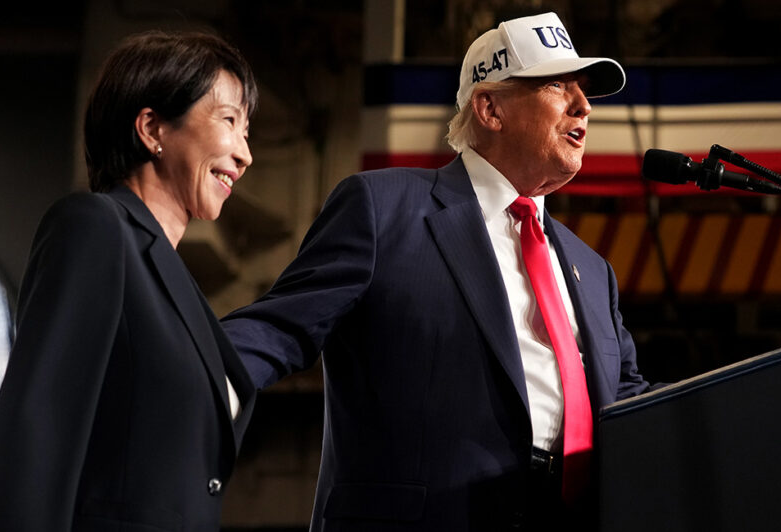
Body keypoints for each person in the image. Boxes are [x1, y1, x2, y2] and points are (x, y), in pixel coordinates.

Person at [222, 12, 649, 531]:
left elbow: (633, 404)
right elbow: (277, 327)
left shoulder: (592, 269)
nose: (583, 105)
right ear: (490, 108)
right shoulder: (383, 210)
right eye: (557, 85)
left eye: (582, 90)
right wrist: (188, 379)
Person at [0, 31, 258, 531]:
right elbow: (37, 427)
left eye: (247, 131)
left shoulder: (173, 282)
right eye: (230, 120)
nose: (245, 154)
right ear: (152, 129)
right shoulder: (95, 227)